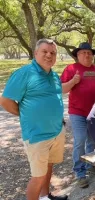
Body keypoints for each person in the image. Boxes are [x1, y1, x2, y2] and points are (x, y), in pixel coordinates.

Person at [0, 39, 67, 200]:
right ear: (36, 53)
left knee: (49, 166)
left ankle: (45, 196)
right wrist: (25, 115)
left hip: (57, 131)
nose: (49, 55)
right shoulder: (24, 73)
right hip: (37, 135)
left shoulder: (54, 75)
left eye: (52, 53)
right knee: (37, 176)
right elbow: (6, 101)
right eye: (45, 51)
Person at [61, 42, 95, 188]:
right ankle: (79, 172)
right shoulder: (71, 69)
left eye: (89, 53)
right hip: (78, 113)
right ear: (77, 55)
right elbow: (62, 89)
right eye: (83, 52)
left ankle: (89, 166)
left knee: (91, 141)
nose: (87, 55)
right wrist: (73, 81)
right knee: (80, 140)